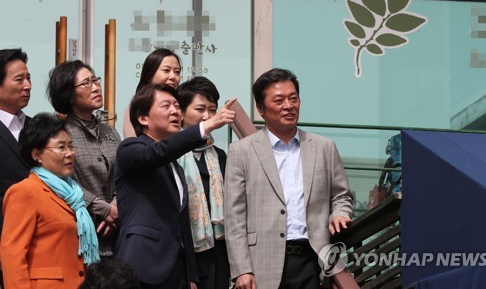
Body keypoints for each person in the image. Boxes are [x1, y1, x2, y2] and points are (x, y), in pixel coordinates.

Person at [224, 68, 354, 289]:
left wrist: (340, 212)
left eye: (293, 98)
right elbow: (234, 216)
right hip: (263, 261)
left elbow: (342, 195)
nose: (288, 106)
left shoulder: (324, 147)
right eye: (279, 100)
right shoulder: (241, 151)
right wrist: (242, 270)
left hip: (313, 260)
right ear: (260, 108)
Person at [114, 83, 235, 289]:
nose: (175, 111)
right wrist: (207, 126)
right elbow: (156, 154)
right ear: (143, 118)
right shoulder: (130, 148)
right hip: (142, 265)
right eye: (166, 106)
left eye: (177, 106)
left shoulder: (175, 167)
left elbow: (182, 224)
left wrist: (191, 275)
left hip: (176, 273)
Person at [1, 113, 99, 289]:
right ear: (37, 154)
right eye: (61, 147)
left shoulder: (73, 194)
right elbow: (12, 256)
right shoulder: (25, 192)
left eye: (71, 146)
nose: (70, 153)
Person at [47, 60, 121, 258]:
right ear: (69, 95)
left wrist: (115, 207)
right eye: (86, 83)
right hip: (81, 234)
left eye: (95, 80)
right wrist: (102, 208)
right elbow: (61, 181)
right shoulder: (61, 134)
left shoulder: (111, 132)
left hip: (119, 235)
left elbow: (123, 175)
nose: (96, 87)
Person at [177, 77, 230, 289]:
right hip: (182, 251)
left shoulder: (220, 156)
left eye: (212, 110)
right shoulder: (169, 153)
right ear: (180, 112)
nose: (207, 116)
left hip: (217, 250)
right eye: (199, 109)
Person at [0, 48, 32, 286]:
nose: (27, 85)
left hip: (42, 242)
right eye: (19, 79)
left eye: (28, 78)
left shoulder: (39, 127)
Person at [123, 48, 182, 138]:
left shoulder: (181, 103)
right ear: (150, 73)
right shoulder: (136, 107)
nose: (173, 76)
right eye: (166, 70)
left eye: (177, 72)